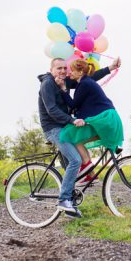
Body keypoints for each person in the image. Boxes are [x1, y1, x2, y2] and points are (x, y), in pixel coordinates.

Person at [36, 56, 120, 218]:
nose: (62, 71)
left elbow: (87, 79)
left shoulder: (64, 81)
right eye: (58, 68)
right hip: (53, 128)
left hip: (64, 127)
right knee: (75, 160)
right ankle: (63, 200)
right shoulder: (47, 84)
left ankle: (71, 205)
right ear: (51, 70)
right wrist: (73, 120)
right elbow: (52, 110)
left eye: (64, 69)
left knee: (72, 164)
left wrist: (110, 68)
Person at [58, 58, 125, 172]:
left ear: (80, 72)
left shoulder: (84, 83)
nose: (69, 73)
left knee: (74, 138)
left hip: (104, 119)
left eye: (72, 70)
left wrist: (63, 89)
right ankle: (90, 173)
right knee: (79, 140)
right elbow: (81, 106)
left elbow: (73, 104)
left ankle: (87, 168)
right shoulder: (85, 82)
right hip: (107, 118)